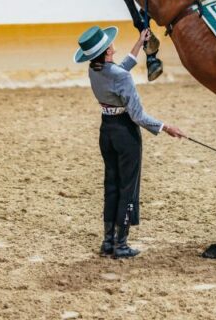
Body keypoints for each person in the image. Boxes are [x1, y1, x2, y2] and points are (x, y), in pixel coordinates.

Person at [74, 25, 185, 259]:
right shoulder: (119, 76)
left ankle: (108, 242)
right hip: (125, 132)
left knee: (111, 184)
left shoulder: (94, 69)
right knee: (128, 187)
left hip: (107, 130)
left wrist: (138, 43)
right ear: (107, 51)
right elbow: (138, 116)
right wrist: (166, 127)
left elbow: (118, 71)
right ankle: (121, 244)